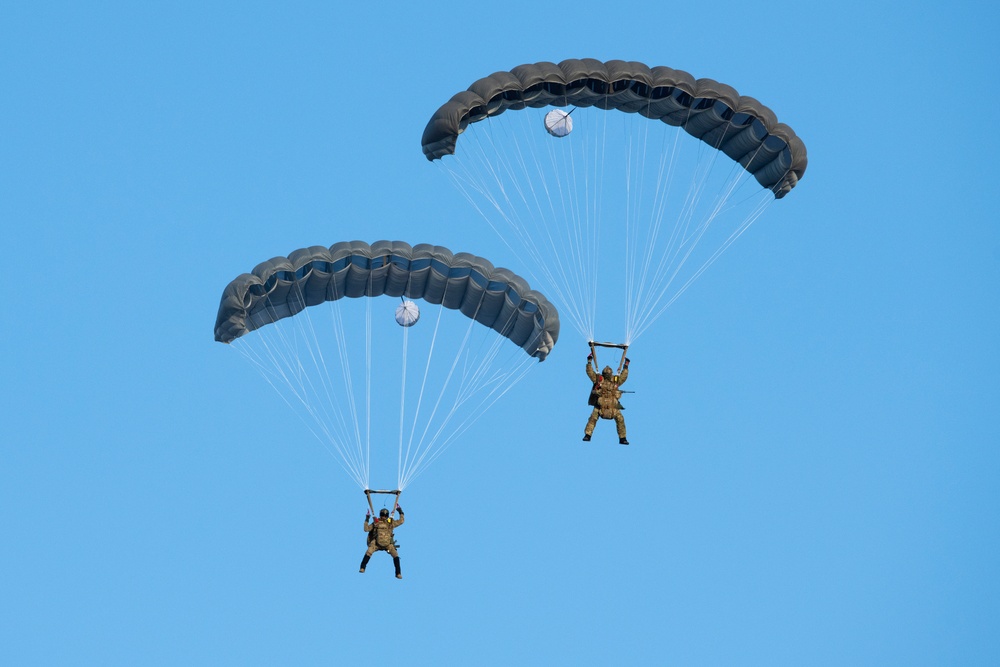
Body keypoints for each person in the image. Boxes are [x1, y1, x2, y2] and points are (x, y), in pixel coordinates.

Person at [583, 353, 630, 445]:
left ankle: (622, 438)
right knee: (593, 419)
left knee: (620, 419)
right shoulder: (600, 380)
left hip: (612, 407)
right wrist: (626, 367)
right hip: (601, 406)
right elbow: (590, 373)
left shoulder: (615, 381)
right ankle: (587, 435)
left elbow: (623, 377)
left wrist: (626, 366)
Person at [359, 506, 405, 579]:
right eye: (383, 515)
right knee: (369, 552)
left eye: (385, 515)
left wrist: (367, 519)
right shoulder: (376, 523)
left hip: (387, 544)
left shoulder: (389, 523)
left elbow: (366, 529)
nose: (384, 517)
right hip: (376, 543)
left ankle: (398, 573)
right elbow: (366, 529)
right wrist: (400, 512)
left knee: (395, 555)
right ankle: (362, 567)